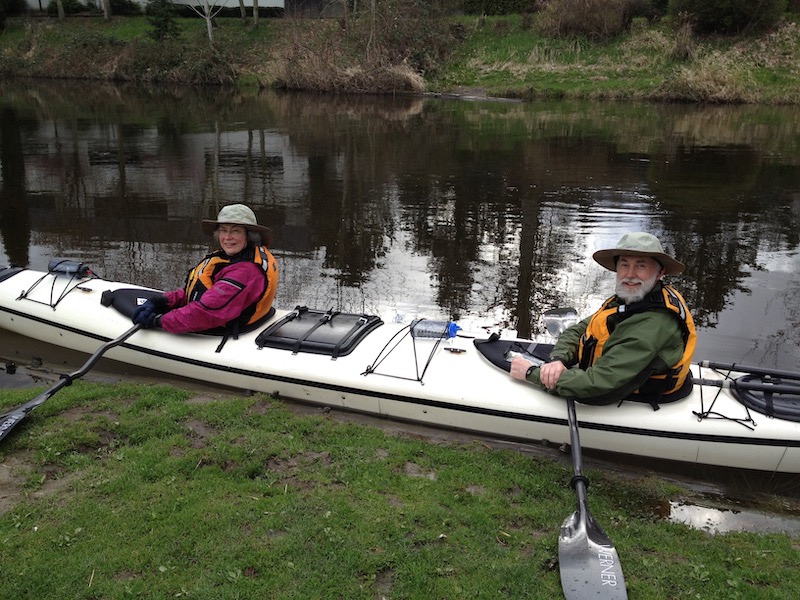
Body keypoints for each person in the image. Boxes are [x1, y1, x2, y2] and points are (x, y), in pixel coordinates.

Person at [511, 232, 697, 408]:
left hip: (631, 393)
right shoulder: (636, 298)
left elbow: (598, 384)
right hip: (613, 374)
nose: (630, 274)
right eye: (624, 265)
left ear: (660, 272)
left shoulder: (654, 324)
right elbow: (581, 329)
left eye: (641, 266)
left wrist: (531, 374)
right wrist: (558, 360)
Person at [132, 204, 279, 339]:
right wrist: (164, 300)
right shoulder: (233, 259)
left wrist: (159, 321)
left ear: (249, 235)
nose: (227, 237)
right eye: (223, 230)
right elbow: (200, 292)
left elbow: (204, 313)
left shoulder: (245, 272)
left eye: (235, 231)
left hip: (226, 329)